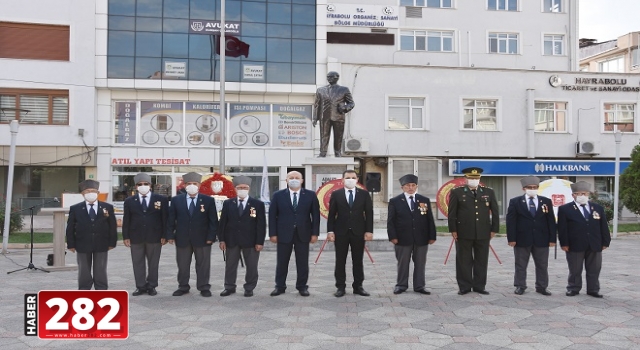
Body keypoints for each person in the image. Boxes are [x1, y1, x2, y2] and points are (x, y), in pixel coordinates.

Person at [448, 167, 499, 295]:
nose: (474, 180)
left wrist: (494, 229)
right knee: (463, 260)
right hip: (463, 232)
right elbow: (452, 213)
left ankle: (479, 286)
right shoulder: (457, 192)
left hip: (483, 232)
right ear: (466, 179)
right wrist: (453, 229)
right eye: (471, 178)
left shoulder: (489, 192)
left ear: (480, 179)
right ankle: (464, 286)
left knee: (481, 260)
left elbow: (495, 212)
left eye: (476, 178)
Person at [166, 172, 218, 297]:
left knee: (203, 265)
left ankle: (204, 287)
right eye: (189, 184)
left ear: (199, 185)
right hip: (182, 238)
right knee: (183, 265)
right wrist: (169, 235)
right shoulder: (176, 200)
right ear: (184, 185)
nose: (192, 186)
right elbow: (171, 219)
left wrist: (211, 237)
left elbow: (213, 221)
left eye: (194, 184)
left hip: (203, 239)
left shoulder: (208, 200)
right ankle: (183, 286)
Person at [269, 171, 320, 296]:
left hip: (303, 233)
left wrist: (315, 233)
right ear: (286, 180)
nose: (294, 179)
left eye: (297, 178)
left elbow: (315, 215)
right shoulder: (278, 195)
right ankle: (280, 286)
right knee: (282, 262)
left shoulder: (311, 195)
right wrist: (272, 233)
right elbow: (272, 216)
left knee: (302, 262)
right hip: (283, 234)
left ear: (302, 180)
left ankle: (302, 286)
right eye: (291, 178)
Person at [558, 181, 611, 298]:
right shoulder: (565, 209)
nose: (582, 196)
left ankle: (593, 289)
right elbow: (562, 229)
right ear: (573, 195)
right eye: (579, 194)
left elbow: (603, 226)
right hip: (575, 244)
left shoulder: (597, 208)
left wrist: (605, 241)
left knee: (594, 268)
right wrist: (564, 243)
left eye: (585, 193)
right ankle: (573, 288)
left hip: (594, 243)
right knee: (575, 269)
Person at [506, 176, 557, 296]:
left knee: (542, 265)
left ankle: (542, 286)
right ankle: (520, 285)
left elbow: (551, 221)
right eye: (530, 187)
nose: (532, 189)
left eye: (535, 187)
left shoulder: (546, 201)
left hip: (542, 239)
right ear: (524, 188)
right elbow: (511, 221)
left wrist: (552, 239)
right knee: (520, 264)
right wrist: (511, 238)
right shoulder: (515, 201)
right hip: (522, 238)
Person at [387, 174, 437, 295]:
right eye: (408, 185)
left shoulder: (424, 200)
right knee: (403, 263)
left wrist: (432, 236)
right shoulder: (395, 201)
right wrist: (392, 236)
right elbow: (391, 221)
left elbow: (429, 219)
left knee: (420, 263)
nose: (410, 187)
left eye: (413, 185)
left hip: (421, 238)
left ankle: (420, 286)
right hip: (402, 238)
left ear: (416, 186)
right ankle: (401, 285)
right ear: (402, 187)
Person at [326, 170, 374, 297]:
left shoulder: (364, 194)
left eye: (353, 177)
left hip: (358, 232)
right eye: (348, 177)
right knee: (340, 260)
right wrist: (330, 231)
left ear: (357, 179)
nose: (350, 179)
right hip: (340, 232)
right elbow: (331, 215)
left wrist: (369, 231)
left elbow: (369, 213)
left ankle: (358, 286)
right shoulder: (336, 194)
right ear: (342, 180)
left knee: (358, 260)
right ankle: (340, 287)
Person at [218, 176, 266, 297]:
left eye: (245, 187)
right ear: (235, 189)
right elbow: (223, 222)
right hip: (231, 240)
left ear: (249, 189)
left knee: (251, 266)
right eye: (240, 188)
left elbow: (261, 225)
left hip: (251, 241)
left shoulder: (257, 204)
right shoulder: (228, 203)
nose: (242, 189)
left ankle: (249, 287)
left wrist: (260, 242)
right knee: (230, 265)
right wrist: (222, 239)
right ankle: (229, 287)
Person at [122, 173, 168, 296]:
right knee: (137, 262)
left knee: (153, 263)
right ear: (136, 187)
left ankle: (152, 285)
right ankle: (140, 286)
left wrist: (165, 235)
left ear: (150, 186)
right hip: (136, 236)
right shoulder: (129, 201)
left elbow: (165, 219)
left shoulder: (160, 199)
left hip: (155, 236)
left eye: (146, 184)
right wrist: (126, 236)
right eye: (140, 184)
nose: (143, 186)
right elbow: (126, 220)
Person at [66, 180, 117, 290]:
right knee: (84, 268)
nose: (91, 193)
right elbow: (70, 227)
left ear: (98, 193)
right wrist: (71, 244)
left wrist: (112, 242)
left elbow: (112, 226)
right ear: (83, 194)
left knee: (101, 268)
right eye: (88, 191)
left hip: (101, 242)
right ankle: (84, 288)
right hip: (82, 242)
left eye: (93, 191)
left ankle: (101, 288)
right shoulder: (75, 208)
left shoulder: (107, 207)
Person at [312, 71, 355, 158]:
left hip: (339, 116)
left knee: (338, 136)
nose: (329, 79)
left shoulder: (344, 89)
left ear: (336, 78)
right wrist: (315, 118)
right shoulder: (320, 90)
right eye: (328, 77)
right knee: (324, 135)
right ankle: (322, 153)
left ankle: (338, 153)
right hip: (324, 117)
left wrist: (344, 108)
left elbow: (351, 103)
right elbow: (317, 105)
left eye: (331, 77)